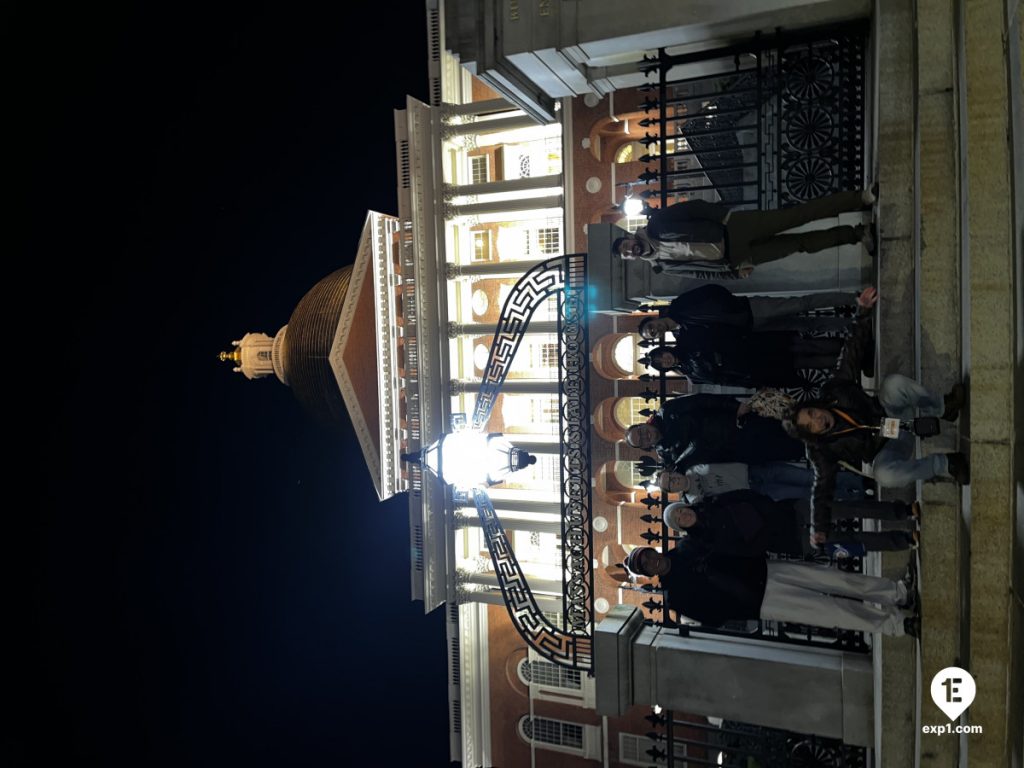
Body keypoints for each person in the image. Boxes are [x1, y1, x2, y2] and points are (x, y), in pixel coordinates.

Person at [780, 287, 969, 547]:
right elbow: (820, 492)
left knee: (892, 385)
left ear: (814, 405)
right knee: (885, 476)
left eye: (812, 412)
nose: (818, 419)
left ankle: (943, 407)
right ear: (810, 434)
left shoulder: (833, 391)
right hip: (886, 447)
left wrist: (863, 311)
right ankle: (947, 464)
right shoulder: (820, 451)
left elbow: (851, 352)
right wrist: (819, 527)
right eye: (810, 425)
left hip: (888, 414)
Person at [624, 543, 919, 637]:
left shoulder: (687, 547)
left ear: (652, 550)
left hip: (765, 570)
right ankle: (897, 624)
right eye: (646, 565)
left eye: (647, 555)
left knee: (837, 581)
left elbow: (727, 544)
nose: (651, 561)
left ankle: (897, 593)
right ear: (648, 574)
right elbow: (712, 619)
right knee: (833, 612)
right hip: (758, 602)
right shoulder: (677, 597)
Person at [612, 188, 877, 279]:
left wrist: (723, 216)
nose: (630, 251)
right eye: (626, 255)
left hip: (734, 227)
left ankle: (860, 198)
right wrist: (734, 273)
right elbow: (699, 272)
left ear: (630, 236)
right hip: (737, 256)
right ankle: (858, 233)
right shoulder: (661, 266)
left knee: (798, 215)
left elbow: (693, 208)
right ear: (630, 258)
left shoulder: (658, 222)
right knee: (800, 244)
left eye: (626, 245)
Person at [662, 490, 917, 557]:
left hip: (792, 511)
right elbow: (745, 551)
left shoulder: (712, 501)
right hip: (791, 541)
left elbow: (745, 494)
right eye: (679, 521)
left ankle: (901, 511)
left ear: (684, 507)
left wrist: (766, 509)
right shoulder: (707, 541)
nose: (683, 516)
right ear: (681, 528)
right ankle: (902, 541)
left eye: (680, 512)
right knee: (850, 543)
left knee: (847, 508)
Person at [624, 393, 804, 469]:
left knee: (791, 427)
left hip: (739, 423)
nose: (645, 436)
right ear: (645, 446)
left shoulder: (668, 410)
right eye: (641, 440)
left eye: (640, 431)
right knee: (790, 450)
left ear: (643, 424)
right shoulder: (669, 457)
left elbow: (702, 401)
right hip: (738, 451)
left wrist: (733, 406)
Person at [643, 326, 842, 388]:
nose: (665, 360)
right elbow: (723, 381)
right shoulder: (691, 376)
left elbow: (718, 334)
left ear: (665, 350)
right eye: (662, 364)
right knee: (803, 363)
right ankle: (846, 360)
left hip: (751, 345)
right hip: (752, 369)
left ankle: (848, 348)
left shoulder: (686, 339)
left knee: (802, 346)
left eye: (661, 356)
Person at [638, 284, 858, 335]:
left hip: (749, 308)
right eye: (652, 334)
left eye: (651, 327)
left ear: (653, 320)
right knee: (804, 325)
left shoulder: (679, 306)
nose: (655, 330)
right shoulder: (685, 333)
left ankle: (854, 299)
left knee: (802, 304)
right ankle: (851, 325)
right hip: (751, 326)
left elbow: (709, 290)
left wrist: (729, 303)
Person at [656, 461, 865, 503]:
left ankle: (856, 481)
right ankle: (852, 495)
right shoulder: (693, 500)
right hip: (757, 492)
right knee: (807, 493)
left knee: (807, 477)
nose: (675, 480)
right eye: (671, 484)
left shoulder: (693, 467)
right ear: (672, 491)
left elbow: (707, 468)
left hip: (757, 469)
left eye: (672, 476)